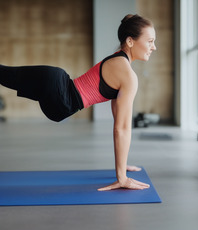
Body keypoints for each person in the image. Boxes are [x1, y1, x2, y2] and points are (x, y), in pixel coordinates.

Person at [0, 14, 156, 191]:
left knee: (5, 75)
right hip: (59, 95)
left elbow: (119, 124)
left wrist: (122, 167)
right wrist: (122, 177)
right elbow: (122, 129)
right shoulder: (128, 75)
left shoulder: (121, 62)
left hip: (59, 95)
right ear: (130, 41)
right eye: (150, 41)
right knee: (4, 74)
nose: (154, 47)